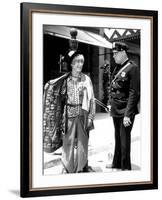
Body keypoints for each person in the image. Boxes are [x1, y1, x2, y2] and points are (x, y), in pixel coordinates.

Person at [43, 50, 96, 173]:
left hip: (83, 114)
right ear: (71, 64)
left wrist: (91, 117)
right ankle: (67, 167)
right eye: (77, 61)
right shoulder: (65, 80)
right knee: (68, 142)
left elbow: (92, 99)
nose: (80, 64)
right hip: (69, 115)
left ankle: (81, 167)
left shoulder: (86, 79)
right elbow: (58, 98)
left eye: (81, 61)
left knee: (83, 142)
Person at [107, 42, 140, 170]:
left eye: (115, 54)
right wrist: (110, 104)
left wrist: (128, 114)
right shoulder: (117, 67)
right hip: (116, 109)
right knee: (117, 137)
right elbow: (113, 88)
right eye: (113, 54)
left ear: (122, 53)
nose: (113, 56)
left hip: (126, 110)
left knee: (124, 139)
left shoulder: (133, 68)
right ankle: (116, 163)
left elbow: (134, 93)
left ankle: (125, 166)